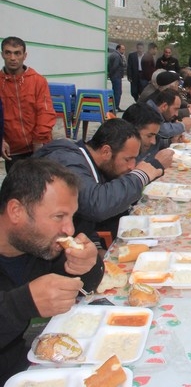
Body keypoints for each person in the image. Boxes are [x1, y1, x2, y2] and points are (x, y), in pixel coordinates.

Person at [0, 159, 104, 384]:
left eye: (71, 216)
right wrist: (21, 305)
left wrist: (88, 266)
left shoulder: (38, 245)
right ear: (16, 211)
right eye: (59, 217)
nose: (70, 229)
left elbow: (80, 286)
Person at [34, 119, 165, 248]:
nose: (132, 166)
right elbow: (95, 204)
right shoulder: (67, 161)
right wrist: (140, 176)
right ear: (106, 151)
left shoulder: (96, 164)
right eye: (128, 159)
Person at [0, 36, 57, 172]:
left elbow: (46, 112)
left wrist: (39, 140)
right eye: (8, 53)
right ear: (2, 54)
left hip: (39, 147)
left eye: (17, 53)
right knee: (17, 190)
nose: (13, 58)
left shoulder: (38, 81)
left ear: (24, 56)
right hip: (13, 151)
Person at [122, 102, 176, 166]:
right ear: (131, 131)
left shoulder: (147, 144)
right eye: (149, 136)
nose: (153, 142)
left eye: (155, 136)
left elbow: (158, 143)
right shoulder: (120, 159)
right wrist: (156, 164)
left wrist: (170, 141)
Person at [108, 43, 126, 111]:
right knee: (118, 92)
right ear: (118, 49)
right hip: (116, 76)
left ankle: (114, 106)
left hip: (114, 76)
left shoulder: (113, 54)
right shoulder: (117, 56)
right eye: (122, 49)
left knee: (115, 91)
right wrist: (112, 74)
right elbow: (115, 66)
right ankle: (116, 107)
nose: (123, 51)